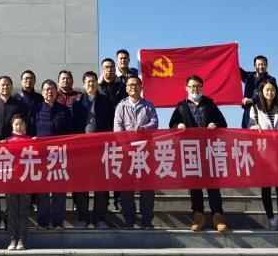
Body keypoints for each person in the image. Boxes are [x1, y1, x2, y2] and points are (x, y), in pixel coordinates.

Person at [169, 75, 229, 233]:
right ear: (186, 88)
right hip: (190, 151)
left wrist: (215, 124)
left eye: (198, 86)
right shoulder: (181, 106)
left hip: (209, 150)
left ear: (202, 87)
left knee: (213, 185)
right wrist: (178, 125)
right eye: (192, 86)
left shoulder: (210, 104)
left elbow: (224, 124)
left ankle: (217, 216)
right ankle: (198, 216)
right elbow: (172, 125)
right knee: (195, 185)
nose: (195, 89)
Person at [113, 76, 158, 228]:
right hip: (127, 152)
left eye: (136, 84)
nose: (133, 87)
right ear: (126, 89)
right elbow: (118, 128)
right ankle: (129, 220)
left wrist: (143, 129)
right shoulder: (121, 106)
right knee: (127, 187)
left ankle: (147, 221)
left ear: (141, 87)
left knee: (147, 187)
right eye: (130, 85)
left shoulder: (149, 105)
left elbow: (155, 123)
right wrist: (127, 143)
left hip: (145, 151)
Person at [247, 78, 278, 231]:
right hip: (263, 154)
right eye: (267, 89)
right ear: (261, 91)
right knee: (266, 187)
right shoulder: (255, 108)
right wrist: (254, 127)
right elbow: (250, 125)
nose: (270, 92)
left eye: (272, 90)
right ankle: (271, 218)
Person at [0, 75, 26, 229]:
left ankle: (10, 218)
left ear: (12, 86)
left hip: (13, 150)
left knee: (11, 185)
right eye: (2, 85)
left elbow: (24, 126)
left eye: (8, 84)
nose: (5, 87)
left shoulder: (20, 105)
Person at [31, 79, 71, 229]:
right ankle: (42, 222)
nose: (50, 92)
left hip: (60, 155)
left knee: (59, 191)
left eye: (52, 89)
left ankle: (58, 222)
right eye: (46, 89)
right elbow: (31, 130)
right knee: (42, 191)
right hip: (41, 156)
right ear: (42, 92)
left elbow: (71, 132)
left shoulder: (64, 110)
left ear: (56, 92)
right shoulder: (35, 109)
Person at [97, 57, 127, 213]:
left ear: (115, 69)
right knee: (103, 169)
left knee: (117, 167)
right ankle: (104, 201)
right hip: (101, 132)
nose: (108, 70)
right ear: (102, 69)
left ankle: (118, 199)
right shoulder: (97, 86)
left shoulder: (122, 86)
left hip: (118, 132)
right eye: (105, 67)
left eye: (111, 67)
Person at [71, 71, 97, 229]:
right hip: (82, 148)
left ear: (97, 83)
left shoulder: (104, 101)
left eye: (93, 81)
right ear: (83, 84)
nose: (91, 84)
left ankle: (99, 218)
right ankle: (83, 218)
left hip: (100, 148)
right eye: (88, 81)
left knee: (101, 184)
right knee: (82, 184)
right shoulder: (77, 102)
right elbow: (73, 124)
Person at [4, 114, 33, 250]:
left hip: (26, 181)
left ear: (26, 126)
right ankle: (12, 239)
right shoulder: (7, 141)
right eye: (16, 124)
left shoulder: (31, 141)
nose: (19, 126)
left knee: (23, 212)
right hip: (11, 182)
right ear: (12, 125)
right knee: (12, 212)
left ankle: (21, 239)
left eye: (21, 124)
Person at [239, 55, 274, 129]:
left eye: (263, 64)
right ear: (254, 65)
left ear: (267, 65)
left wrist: (252, 100)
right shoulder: (249, 76)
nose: (261, 67)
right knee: (246, 132)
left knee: (261, 132)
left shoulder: (271, 79)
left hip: (263, 111)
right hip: (248, 110)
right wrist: (232, 53)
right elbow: (236, 69)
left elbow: (269, 95)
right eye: (258, 64)